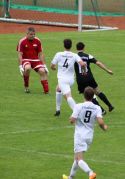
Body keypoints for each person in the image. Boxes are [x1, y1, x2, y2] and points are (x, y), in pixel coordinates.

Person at [63, 86, 108, 179]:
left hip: (80, 136)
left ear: (84, 95)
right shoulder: (97, 108)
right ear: (93, 96)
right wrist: (104, 127)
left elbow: (72, 120)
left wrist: (71, 119)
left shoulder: (78, 106)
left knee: (79, 160)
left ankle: (90, 173)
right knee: (76, 158)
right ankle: (70, 177)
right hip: (89, 136)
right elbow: (100, 122)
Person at [74, 42, 114, 113]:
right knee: (98, 92)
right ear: (83, 48)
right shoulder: (88, 56)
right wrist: (107, 70)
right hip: (89, 77)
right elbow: (98, 63)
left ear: (76, 48)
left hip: (80, 79)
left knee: (88, 96)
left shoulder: (74, 57)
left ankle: (102, 110)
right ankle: (109, 105)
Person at [51, 39, 86, 116]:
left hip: (62, 80)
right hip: (71, 79)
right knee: (58, 89)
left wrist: (54, 68)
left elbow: (52, 66)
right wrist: (84, 72)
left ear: (64, 45)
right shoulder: (74, 55)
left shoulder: (59, 54)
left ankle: (77, 113)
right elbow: (83, 64)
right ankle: (58, 110)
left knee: (68, 96)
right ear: (71, 46)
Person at [17, 27, 49, 93]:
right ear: (27, 34)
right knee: (28, 68)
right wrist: (20, 66)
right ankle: (26, 87)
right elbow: (20, 54)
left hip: (36, 60)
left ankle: (46, 91)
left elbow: (40, 54)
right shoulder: (22, 41)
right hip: (26, 60)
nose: (33, 36)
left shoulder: (38, 41)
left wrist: (44, 65)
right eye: (31, 34)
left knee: (42, 71)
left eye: (34, 34)